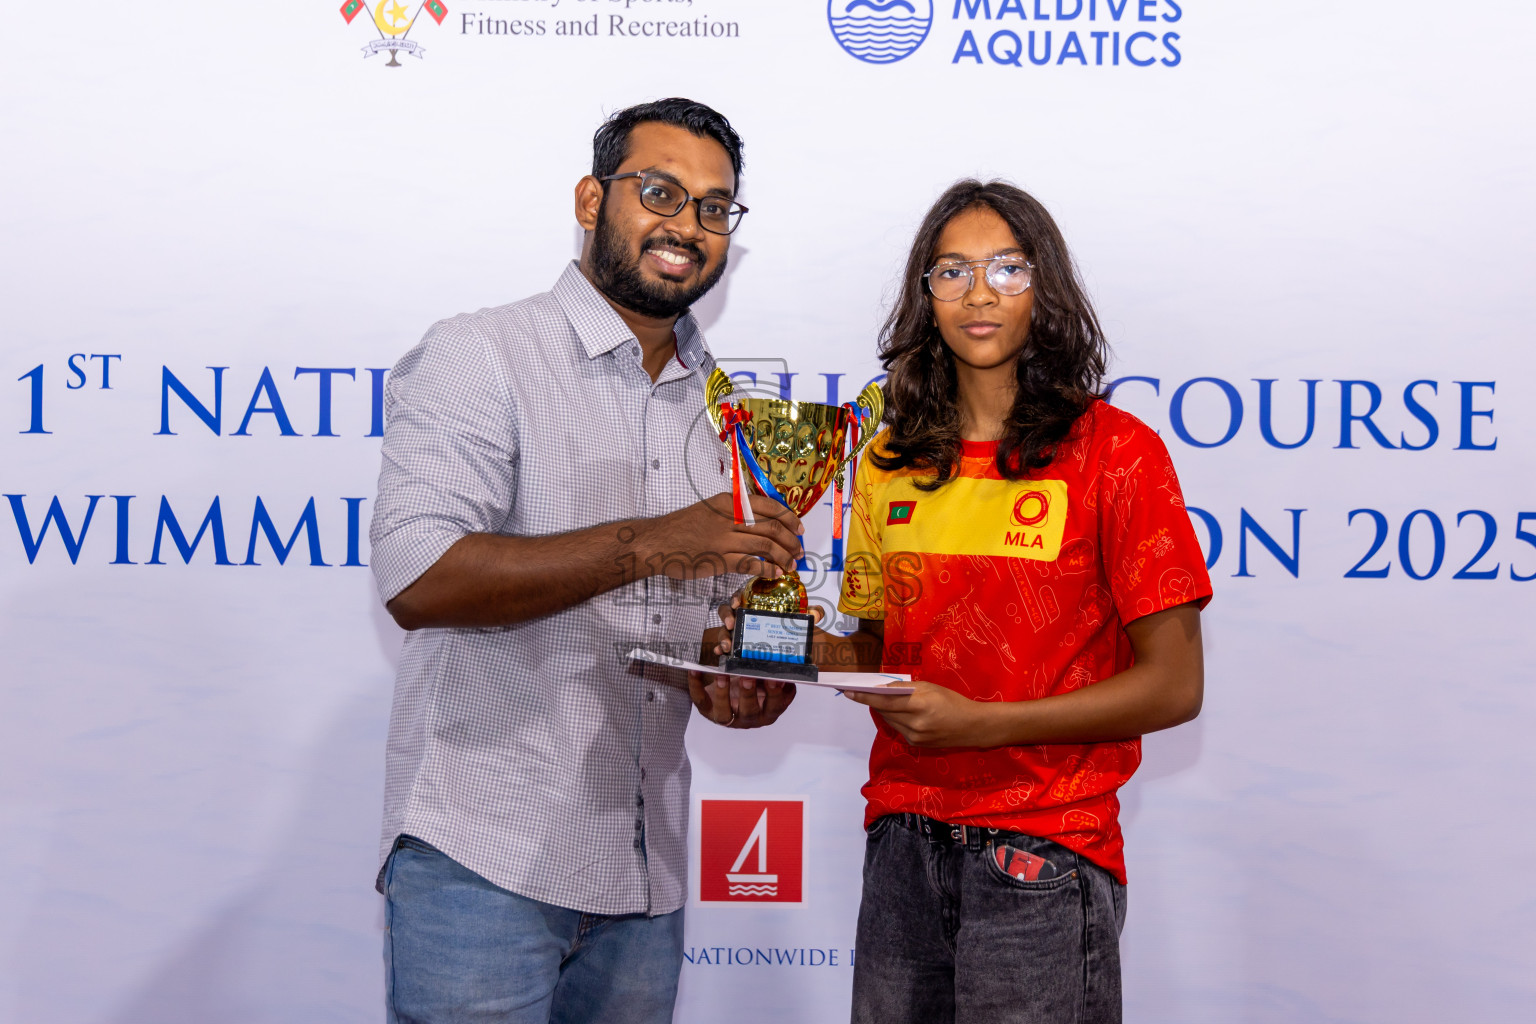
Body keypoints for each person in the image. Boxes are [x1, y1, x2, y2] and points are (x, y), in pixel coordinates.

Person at [715, 179, 1213, 1023]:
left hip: (1045, 853)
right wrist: (774, 642)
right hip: (903, 843)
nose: (978, 292)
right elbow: (877, 653)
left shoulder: (1117, 454)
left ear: (1042, 290)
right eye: (951, 271)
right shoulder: (888, 459)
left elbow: (1174, 686)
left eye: (1006, 269)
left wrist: (986, 723)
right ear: (925, 297)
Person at [367, 98, 800, 1024]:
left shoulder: (723, 409)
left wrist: (733, 679)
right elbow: (418, 578)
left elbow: (685, 637)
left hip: (646, 882)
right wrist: (653, 539)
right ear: (591, 198)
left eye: (715, 208)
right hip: (482, 867)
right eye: (660, 192)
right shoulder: (480, 353)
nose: (688, 225)